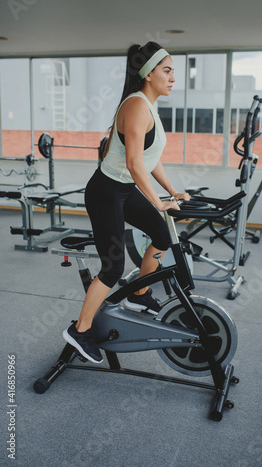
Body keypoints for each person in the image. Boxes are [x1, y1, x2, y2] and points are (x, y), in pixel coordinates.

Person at [63, 41, 190, 364]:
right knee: (113, 266)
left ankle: (139, 293)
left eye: (173, 71)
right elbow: (134, 163)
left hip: (125, 188)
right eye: (167, 70)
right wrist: (157, 201)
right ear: (148, 74)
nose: (173, 77)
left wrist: (172, 191)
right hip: (106, 191)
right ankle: (80, 330)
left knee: (161, 236)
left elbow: (150, 159)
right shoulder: (135, 107)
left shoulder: (149, 107)